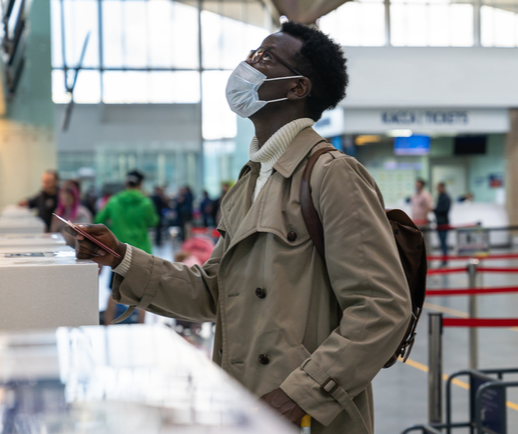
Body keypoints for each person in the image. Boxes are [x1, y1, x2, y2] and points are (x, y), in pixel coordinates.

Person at [69, 22, 410, 434]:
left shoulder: (332, 175)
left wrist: (298, 396)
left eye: (265, 58)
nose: (248, 64)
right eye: (252, 54)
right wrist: (122, 259)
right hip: (245, 404)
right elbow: (214, 292)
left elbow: (381, 309)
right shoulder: (252, 179)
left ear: (298, 88)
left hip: (305, 413)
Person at [95, 170, 159, 325]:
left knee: (114, 290)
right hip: (142, 253)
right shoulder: (146, 202)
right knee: (142, 293)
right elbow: (154, 221)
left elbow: (98, 220)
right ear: (141, 184)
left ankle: (108, 326)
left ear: (126, 183)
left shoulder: (114, 201)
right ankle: (141, 328)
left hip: (119, 253)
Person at [434, 182, 451, 266]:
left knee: (443, 243)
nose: (437, 189)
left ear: (443, 187)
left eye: (439, 187)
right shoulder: (441, 197)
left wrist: (434, 210)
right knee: (441, 243)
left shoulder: (446, 198)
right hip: (439, 223)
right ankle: (444, 260)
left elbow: (443, 210)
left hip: (443, 223)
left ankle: (445, 261)